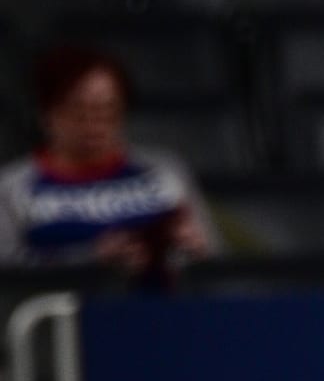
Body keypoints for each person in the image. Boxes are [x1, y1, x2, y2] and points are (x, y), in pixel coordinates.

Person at [0, 44, 219, 279]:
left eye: (107, 110)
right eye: (80, 111)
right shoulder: (14, 185)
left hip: (162, 304)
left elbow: (218, 257)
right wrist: (90, 259)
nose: (95, 124)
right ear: (48, 113)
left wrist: (193, 250)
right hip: (62, 310)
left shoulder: (164, 171)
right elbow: (8, 273)